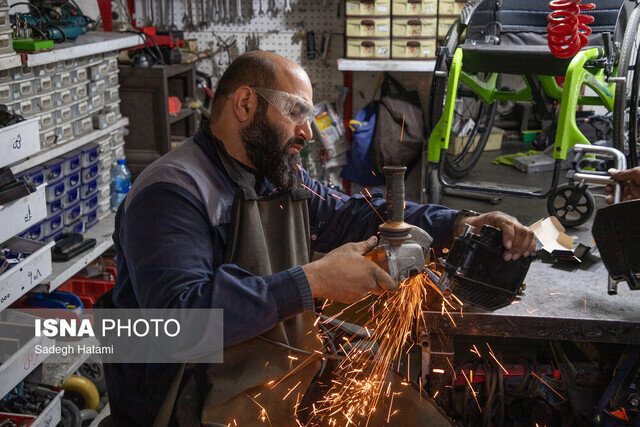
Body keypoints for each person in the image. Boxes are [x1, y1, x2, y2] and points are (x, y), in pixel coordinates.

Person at [105, 50, 536, 426]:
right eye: (295, 112)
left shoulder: (275, 175)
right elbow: (180, 325)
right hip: (189, 403)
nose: (307, 132)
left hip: (273, 373)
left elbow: (351, 214)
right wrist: (312, 282)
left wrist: (460, 223)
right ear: (245, 103)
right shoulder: (171, 193)